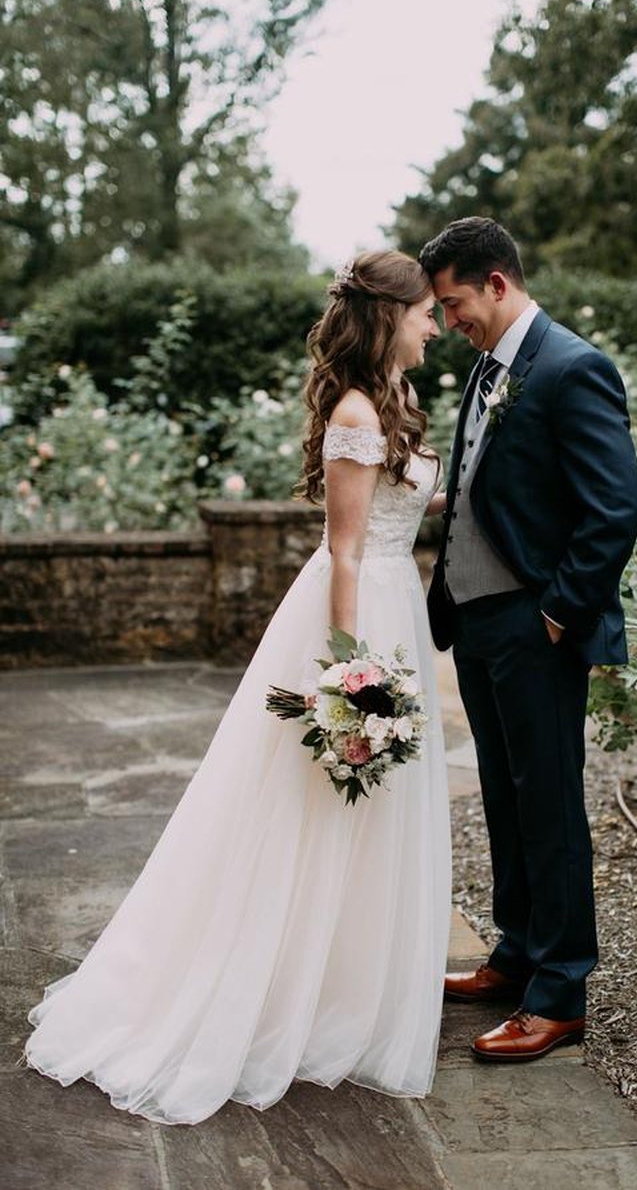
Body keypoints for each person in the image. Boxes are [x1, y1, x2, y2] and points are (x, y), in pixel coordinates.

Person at [23, 251, 452, 1125]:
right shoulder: (358, 409)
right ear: (388, 316)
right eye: (422, 313)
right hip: (360, 611)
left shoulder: (396, 402)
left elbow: (398, 513)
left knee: (367, 815)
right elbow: (344, 546)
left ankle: (344, 994)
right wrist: (346, 671)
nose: (433, 325)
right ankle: (272, 995)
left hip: (395, 602)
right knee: (314, 809)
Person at [421, 217, 637, 1062]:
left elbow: (614, 507)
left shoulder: (572, 367)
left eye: (454, 304)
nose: (448, 324)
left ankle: (560, 993)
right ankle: (515, 955)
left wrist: (557, 613)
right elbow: (487, 487)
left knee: (548, 805)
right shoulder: (487, 371)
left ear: (498, 284)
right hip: (476, 623)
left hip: (534, 627)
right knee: (507, 798)